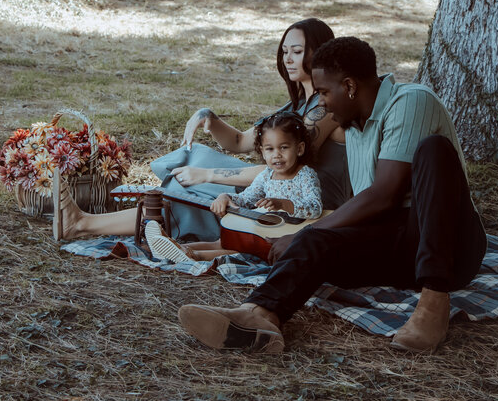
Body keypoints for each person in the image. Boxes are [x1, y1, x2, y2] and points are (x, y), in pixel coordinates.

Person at [176, 37, 488, 354]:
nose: (321, 103)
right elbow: (369, 209)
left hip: (451, 251)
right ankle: (259, 316)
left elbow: (384, 196)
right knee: (315, 240)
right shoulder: (353, 125)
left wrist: (308, 231)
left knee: (432, 151)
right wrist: (308, 238)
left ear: (349, 86)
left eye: (324, 92)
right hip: (401, 248)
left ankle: (433, 304)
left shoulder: (411, 102)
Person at [55, 18, 349, 241]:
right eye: (284, 51)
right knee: (195, 157)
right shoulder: (296, 104)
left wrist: (209, 176)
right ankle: (118, 213)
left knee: (197, 194)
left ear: (320, 53)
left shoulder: (325, 110)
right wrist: (208, 117)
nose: (287, 59)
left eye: (296, 51)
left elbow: (281, 168)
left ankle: (83, 224)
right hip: (274, 186)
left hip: (302, 200)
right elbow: (239, 141)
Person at [147, 111, 322, 263]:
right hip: (260, 233)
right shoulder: (266, 175)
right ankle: (171, 246)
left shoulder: (305, 175)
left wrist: (283, 204)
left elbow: (315, 208)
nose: (277, 155)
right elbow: (247, 199)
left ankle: (194, 255)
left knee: (242, 251)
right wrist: (226, 198)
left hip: (288, 239)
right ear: (262, 151)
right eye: (269, 149)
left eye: (284, 147)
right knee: (222, 241)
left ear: (299, 149)